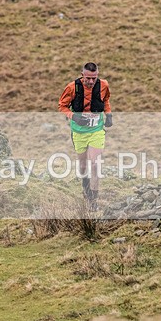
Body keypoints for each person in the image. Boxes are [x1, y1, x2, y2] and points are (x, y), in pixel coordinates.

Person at [58, 62, 113, 210]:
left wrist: (108, 115)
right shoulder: (72, 88)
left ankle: (93, 200)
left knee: (95, 164)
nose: (91, 81)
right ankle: (86, 187)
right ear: (82, 75)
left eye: (94, 78)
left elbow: (106, 100)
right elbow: (61, 106)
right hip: (79, 131)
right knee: (83, 165)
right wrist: (73, 116)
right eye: (88, 78)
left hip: (96, 129)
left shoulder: (103, 85)